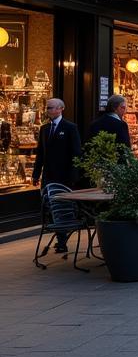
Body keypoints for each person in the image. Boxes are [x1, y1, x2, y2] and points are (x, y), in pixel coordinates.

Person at [33, 98, 82, 254]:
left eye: (51, 108)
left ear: (61, 108)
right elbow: (40, 153)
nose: (48, 110)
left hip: (64, 176)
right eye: (47, 108)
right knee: (49, 205)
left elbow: (76, 152)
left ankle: (62, 239)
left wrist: (74, 175)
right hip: (48, 175)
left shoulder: (70, 128)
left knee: (62, 206)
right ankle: (60, 237)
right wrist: (36, 174)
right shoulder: (44, 129)